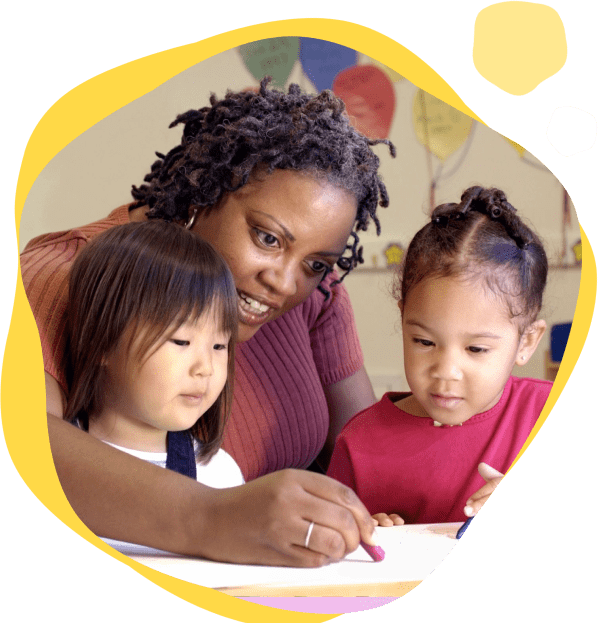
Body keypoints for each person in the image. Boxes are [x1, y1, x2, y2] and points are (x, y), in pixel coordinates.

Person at [21, 77, 394, 565]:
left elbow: (372, 461)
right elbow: (23, 441)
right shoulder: (67, 273)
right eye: (267, 238)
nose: (285, 283)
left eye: (316, 263)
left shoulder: (314, 295)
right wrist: (212, 517)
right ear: (203, 195)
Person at [327, 186, 552, 525]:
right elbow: (328, 552)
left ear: (526, 342)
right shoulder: (359, 444)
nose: (445, 371)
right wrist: (361, 537)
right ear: (403, 320)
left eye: (475, 349)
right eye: (424, 342)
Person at [63, 221, 244, 489]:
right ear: (99, 342)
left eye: (219, 346)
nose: (206, 368)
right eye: (182, 341)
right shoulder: (49, 458)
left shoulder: (219, 477)